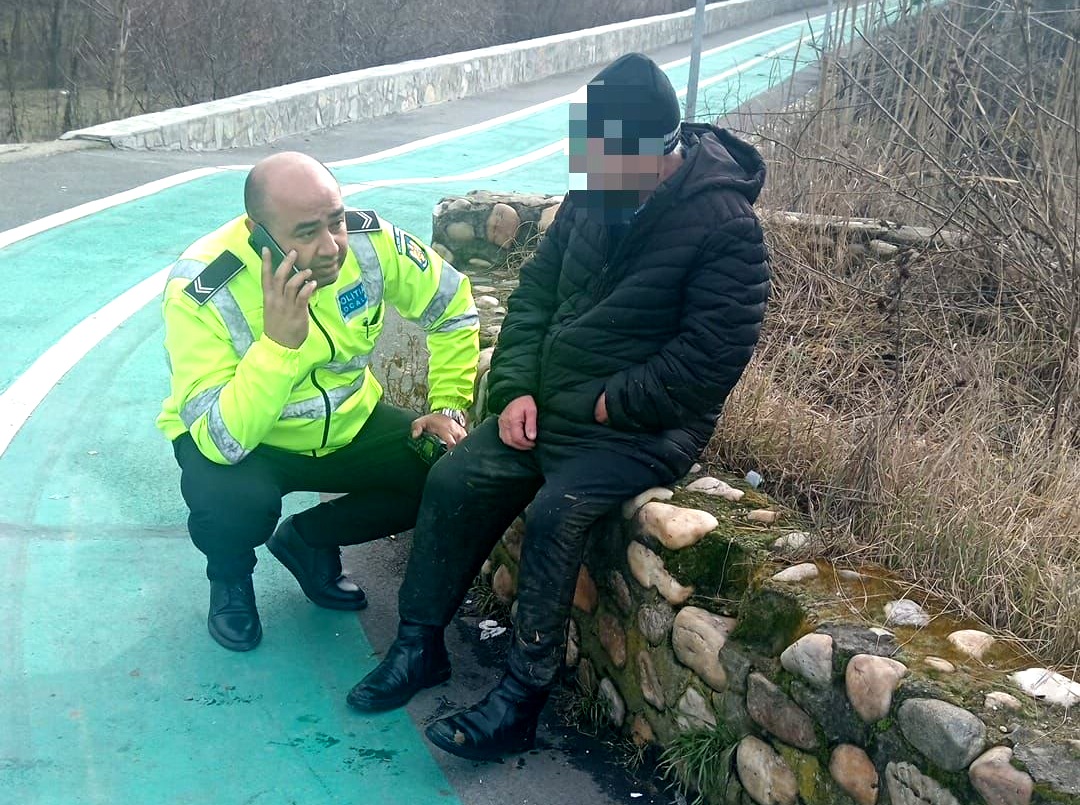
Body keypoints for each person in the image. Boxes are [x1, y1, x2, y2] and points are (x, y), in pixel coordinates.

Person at [345, 53, 771, 761]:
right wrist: (513, 388)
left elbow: (710, 359)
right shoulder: (593, 193)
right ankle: (419, 646)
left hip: (638, 427)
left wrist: (609, 403)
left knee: (556, 514)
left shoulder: (726, 226)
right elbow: (534, 296)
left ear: (656, 152)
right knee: (455, 477)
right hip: (549, 404)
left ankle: (521, 696)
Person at [156, 152, 479, 652]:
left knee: (445, 472)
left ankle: (308, 541)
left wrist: (448, 405)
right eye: (306, 233)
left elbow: (452, 305)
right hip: (250, 441)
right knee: (231, 503)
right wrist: (279, 346)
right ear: (257, 232)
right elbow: (221, 440)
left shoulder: (370, 242)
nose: (331, 247)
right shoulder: (204, 289)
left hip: (348, 423)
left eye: (336, 221)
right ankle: (230, 578)